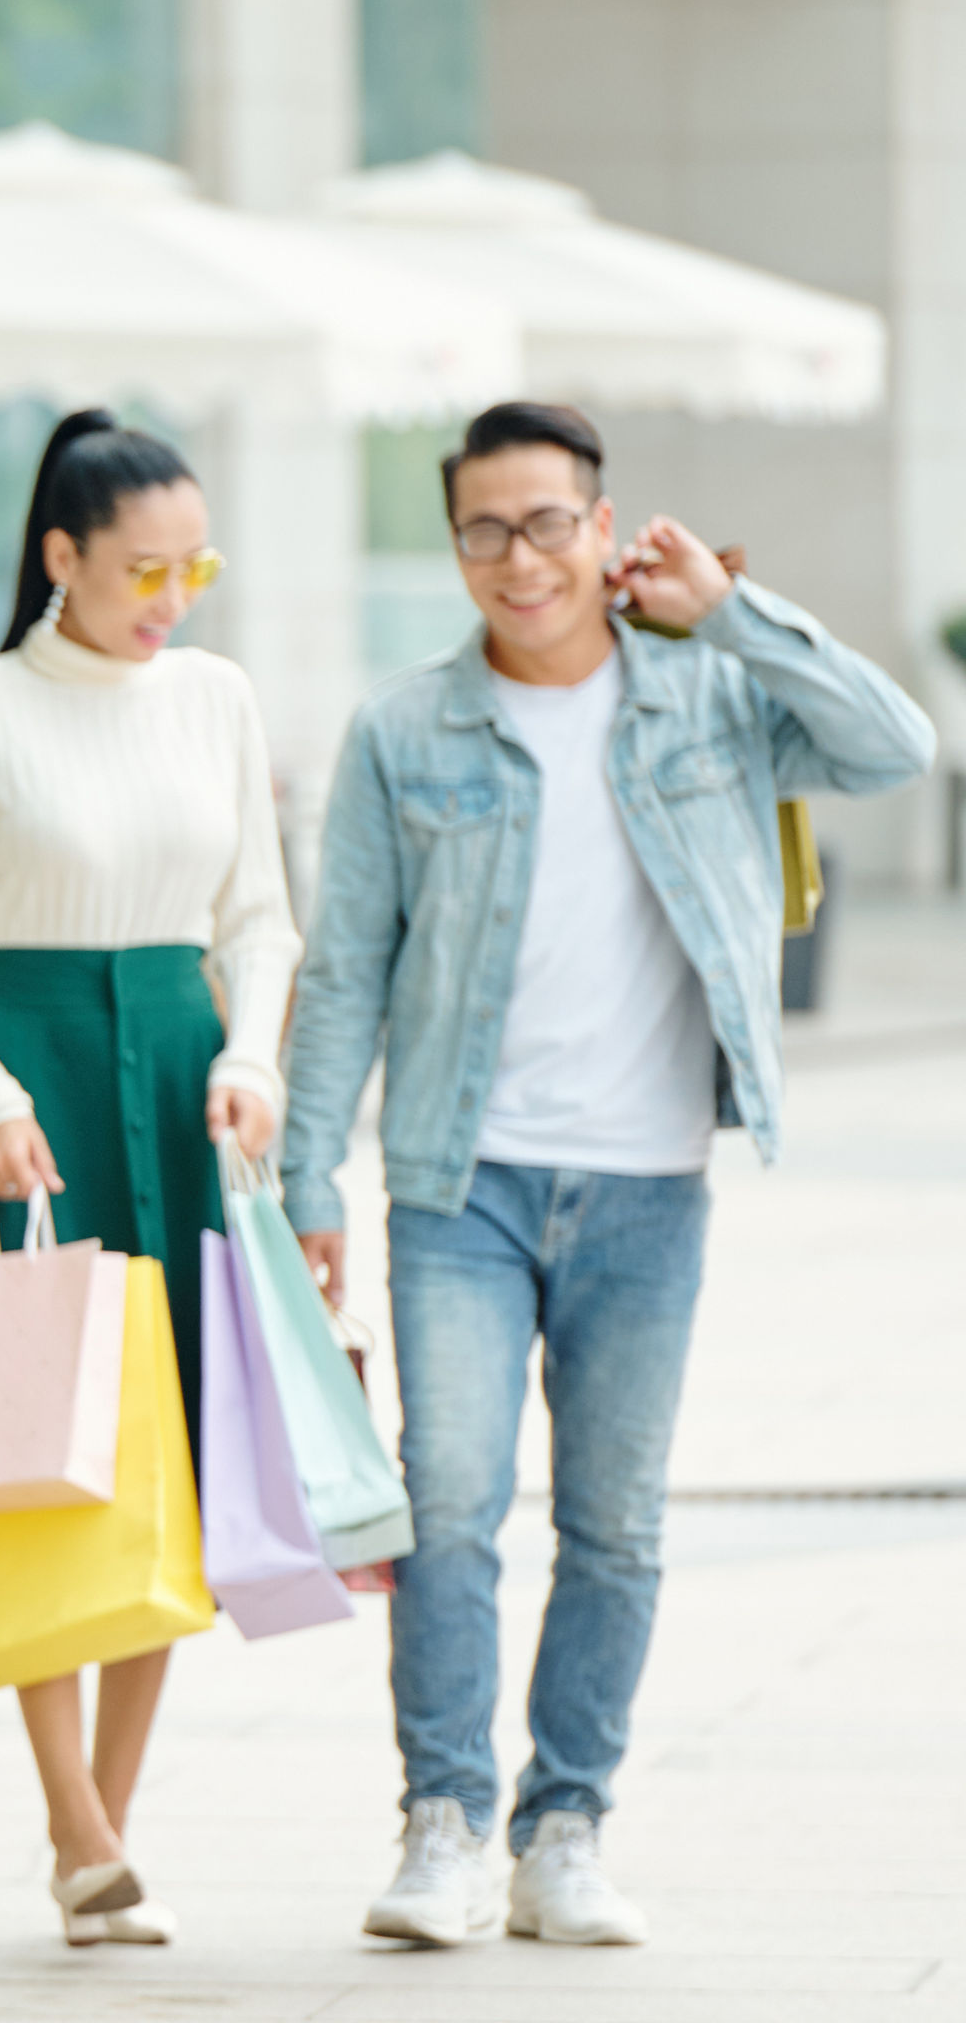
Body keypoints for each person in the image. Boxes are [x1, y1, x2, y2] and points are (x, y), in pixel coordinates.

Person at [286, 402, 936, 1949]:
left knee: (617, 1522)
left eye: (549, 524)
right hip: (461, 1178)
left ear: (605, 524)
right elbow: (342, 972)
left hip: (648, 1183)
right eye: (484, 533)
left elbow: (896, 745)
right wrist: (310, 1173)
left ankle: (563, 1829)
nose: (520, 561)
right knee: (445, 1508)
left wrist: (736, 610)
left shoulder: (708, 694)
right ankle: (441, 1823)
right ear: (456, 548)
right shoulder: (403, 731)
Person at [0, 408, 302, 1950]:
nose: (172, 596)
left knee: (166, 1458)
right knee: (28, 1454)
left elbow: (260, 914)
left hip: (191, 1090)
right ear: (60, 556)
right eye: (142, 567)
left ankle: (104, 1834)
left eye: (194, 564)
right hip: (37, 1087)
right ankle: (73, 1818)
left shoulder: (216, 699)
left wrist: (253, 1055)